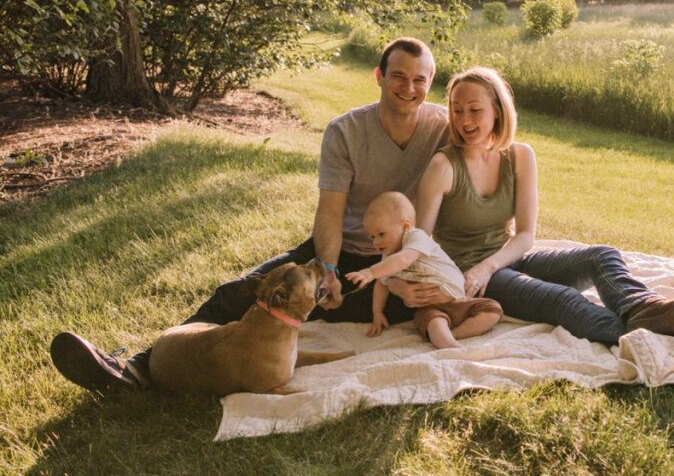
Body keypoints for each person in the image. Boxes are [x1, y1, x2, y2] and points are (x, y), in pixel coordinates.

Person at [50, 37, 449, 393]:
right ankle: (135, 368)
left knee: (401, 304)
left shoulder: (442, 127)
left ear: (430, 83)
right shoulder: (345, 131)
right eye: (399, 76)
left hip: (397, 259)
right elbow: (330, 212)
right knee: (240, 291)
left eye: (420, 80)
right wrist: (327, 268)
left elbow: (487, 140)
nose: (409, 88)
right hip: (339, 251)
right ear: (379, 76)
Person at [409, 66, 674, 347]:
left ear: (497, 111)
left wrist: (490, 265)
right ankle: (670, 336)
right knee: (563, 300)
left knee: (601, 255)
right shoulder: (443, 167)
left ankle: (646, 309)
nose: (464, 120)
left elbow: (525, 235)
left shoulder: (520, 156)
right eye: (457, 110)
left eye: (474, 110)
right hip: (470, 277)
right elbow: (419, 244)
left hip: (504, 261)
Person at [345, 192, 502, 348]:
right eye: (372, 237)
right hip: (431, 309)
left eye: (381, 234)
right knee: (433, 323)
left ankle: (456, 334)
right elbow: (382, 284)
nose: (376, 242)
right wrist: (377, 313)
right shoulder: (388, 258)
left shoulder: (416, 238)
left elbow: (404, 259)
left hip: (460, 301)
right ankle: (451, 345)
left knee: (492, 309)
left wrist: (370, 272)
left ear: (406, 226)